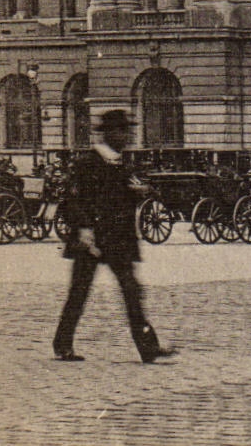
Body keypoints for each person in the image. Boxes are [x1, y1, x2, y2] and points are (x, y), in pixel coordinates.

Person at [53, 110, 176, 363]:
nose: (126, 136)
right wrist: (84, 229)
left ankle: (148, 347)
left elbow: (117, 196)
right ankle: (62, 343)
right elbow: (74, 200)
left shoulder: (119, 162)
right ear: (108, 133)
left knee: (132, 290)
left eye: (127, 131)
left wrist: (136, 191)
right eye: (121, 131)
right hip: (92, 240)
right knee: (79, 292)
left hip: (118, 240)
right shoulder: (88, 162)